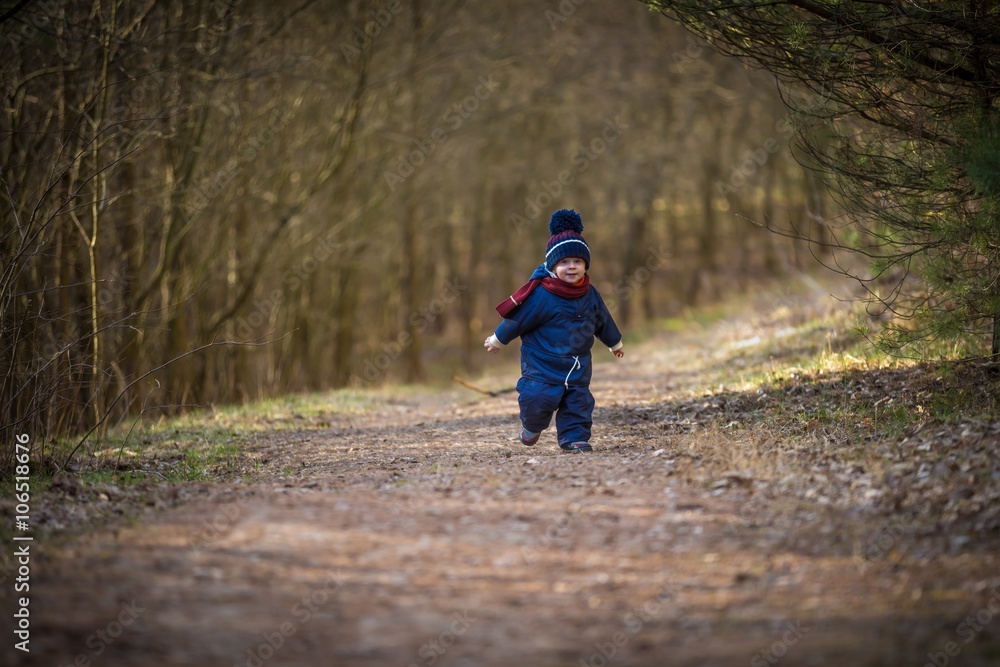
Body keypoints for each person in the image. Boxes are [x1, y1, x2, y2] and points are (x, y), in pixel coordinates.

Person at [484, 209, 624, 452]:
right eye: (564, 262)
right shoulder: (541, 295)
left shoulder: (590, 294)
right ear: (553, 265)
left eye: (578, 262)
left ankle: (575, 438)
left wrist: (614, 343)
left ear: (585, 265)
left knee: (578, 403)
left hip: (577, 366)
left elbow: (603, 319)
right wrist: (498, 339)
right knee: (537, 401)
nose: (572, 267)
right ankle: (532, 426)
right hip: (542, 366)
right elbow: (517, 320)